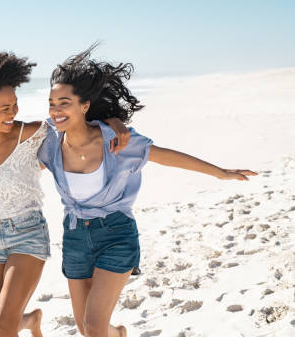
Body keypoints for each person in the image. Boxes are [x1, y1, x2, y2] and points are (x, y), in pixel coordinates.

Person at [38, 46, 257, 337]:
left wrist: (220, 172)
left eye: (64, 102)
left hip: (115, 234)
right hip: (75, 237)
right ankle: (120, 334)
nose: (56, 110)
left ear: (84, 105)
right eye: (51, 103)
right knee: (86, 327)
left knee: (92, 328)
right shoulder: (49, 143)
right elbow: (13, 153)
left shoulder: (117, 142)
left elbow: (164, 155)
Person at [0, 51, 129, 337]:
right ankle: (30, 321)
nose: (13, 113)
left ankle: (19, 322)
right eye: (4, 108)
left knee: (3, 328)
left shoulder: (31, 134)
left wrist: (114, 122)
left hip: (28, 234)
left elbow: (77, 119)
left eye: (15, 105)